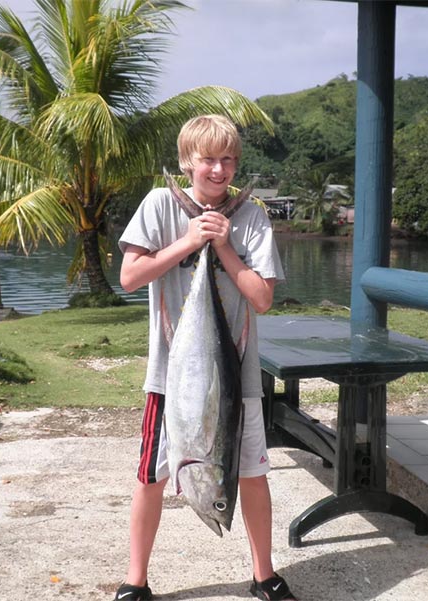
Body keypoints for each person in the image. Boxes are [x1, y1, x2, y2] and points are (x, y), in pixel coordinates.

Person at [115, 114, 296, 601]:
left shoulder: (252, 216)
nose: (219, 170)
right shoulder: (160, 204)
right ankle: (135, 582)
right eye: (208, 159)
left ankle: (264, 574)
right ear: (187, 162)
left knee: (253, 474)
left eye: (229, 160)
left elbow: (261, 299)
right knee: (151, 476)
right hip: (170, 379)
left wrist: (224, 247)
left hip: (236, 378)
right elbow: (131, 278)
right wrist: (190, 241)